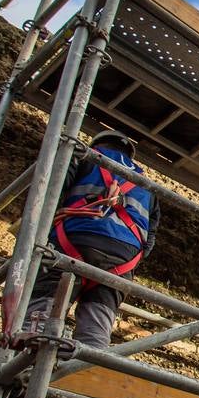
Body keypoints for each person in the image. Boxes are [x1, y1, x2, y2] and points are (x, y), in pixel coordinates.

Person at [24, 129, 159, 349]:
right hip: (123, 260)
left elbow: (50, 193)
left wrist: (42, 233)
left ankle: (23, 364)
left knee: (42, 313)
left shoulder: (83, 156)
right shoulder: (146, 184)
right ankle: (83, 371)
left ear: (98, 145)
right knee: (96, 330)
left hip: (74, 242)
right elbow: (150, 239)